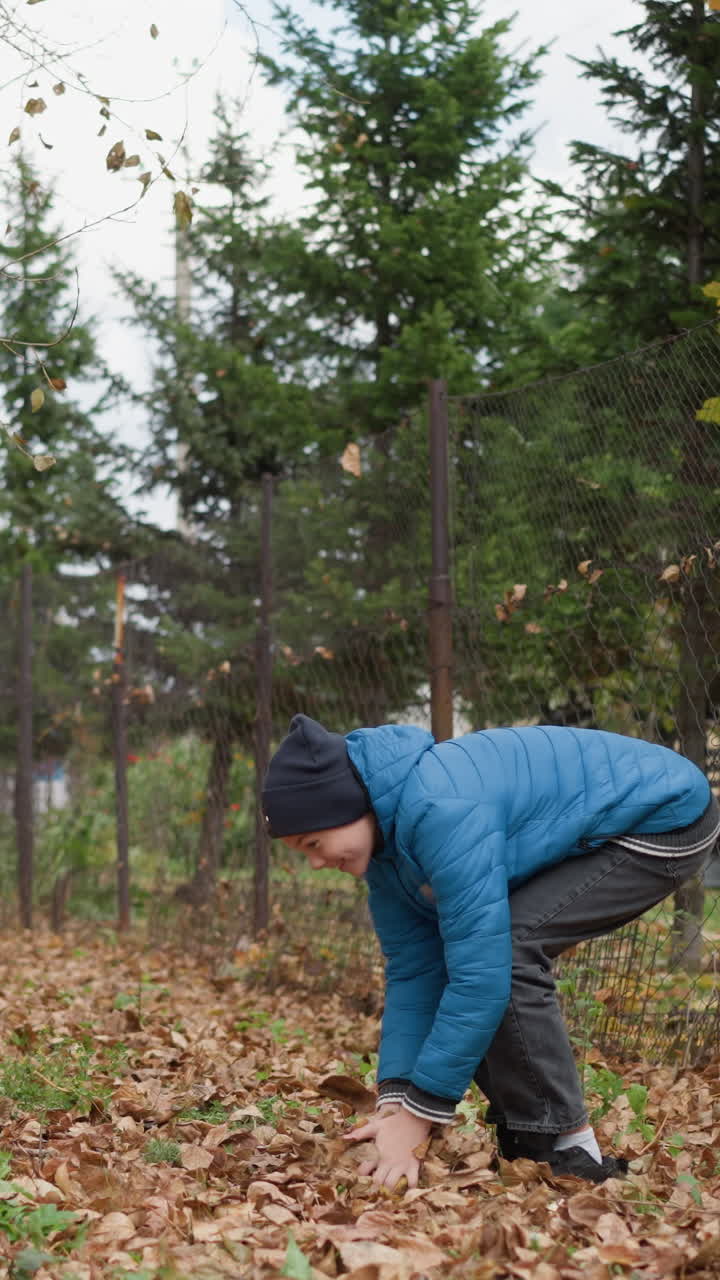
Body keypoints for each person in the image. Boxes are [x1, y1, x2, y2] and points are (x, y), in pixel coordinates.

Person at [262, 714, 719, 1188]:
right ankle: (529, 1140)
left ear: (347, 806)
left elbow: (482, 978)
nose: (316, 863)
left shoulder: (439, 809)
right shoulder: (385, 852)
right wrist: (395, 1100)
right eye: (302, 852)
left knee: (507, 950)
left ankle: (571, 1150)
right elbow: (415, 971)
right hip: (606, 823)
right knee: (467, 953)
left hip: (664, 815)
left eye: (314, 843)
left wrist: (418, 1118)